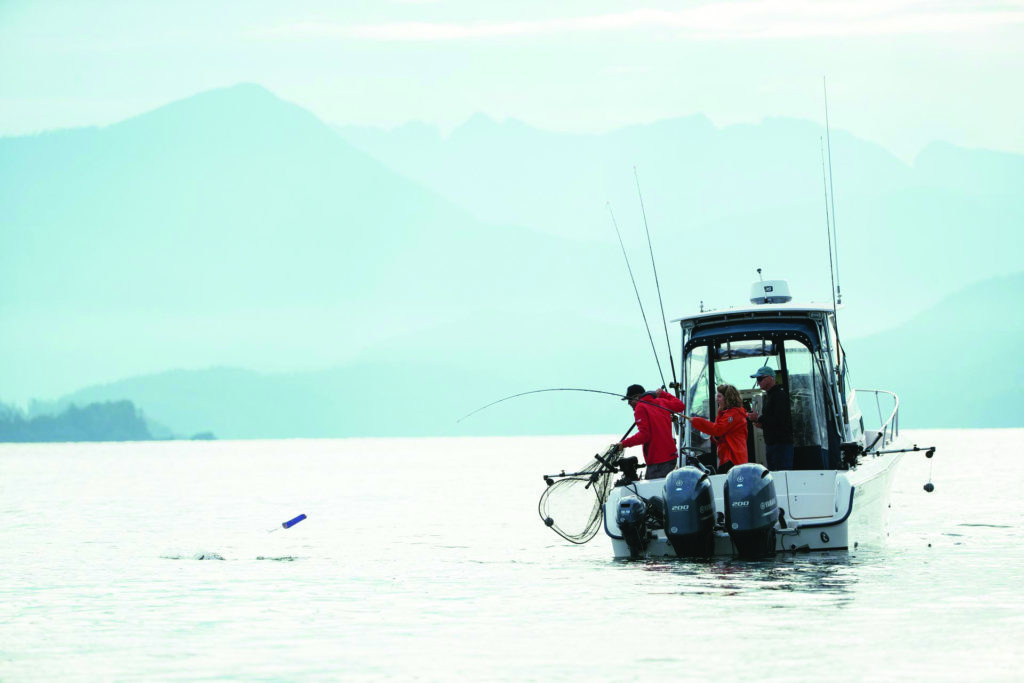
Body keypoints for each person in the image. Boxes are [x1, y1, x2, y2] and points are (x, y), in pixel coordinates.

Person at [613, 384, 686, 480]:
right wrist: (664, 394)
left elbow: (644, 435)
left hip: (657, 461)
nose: (628, 403)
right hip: (671, 457)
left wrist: (624, 444)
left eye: (630, 400)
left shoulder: (640, 408)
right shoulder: (661, 402)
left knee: (653, 492)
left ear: (638, 397)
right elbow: (680, 406)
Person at [683, 384, 748, 475]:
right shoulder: (725, 414)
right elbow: (717, 434)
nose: (717, 398)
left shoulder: (734, 414)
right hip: (727, 457)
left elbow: (717, 430)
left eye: (719, 396)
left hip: (734, 457)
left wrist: (697, 421)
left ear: (727, 398)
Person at [746, 366, 794, 471]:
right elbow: (775, 422)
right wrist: (761, 424)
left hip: (781, 445)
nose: (758, 382)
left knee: (781, 475)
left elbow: (779, 421)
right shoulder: (770, 396)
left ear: (770, 378)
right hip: (773, 445)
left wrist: (758, 418)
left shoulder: (779, 396)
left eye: (759, 379)